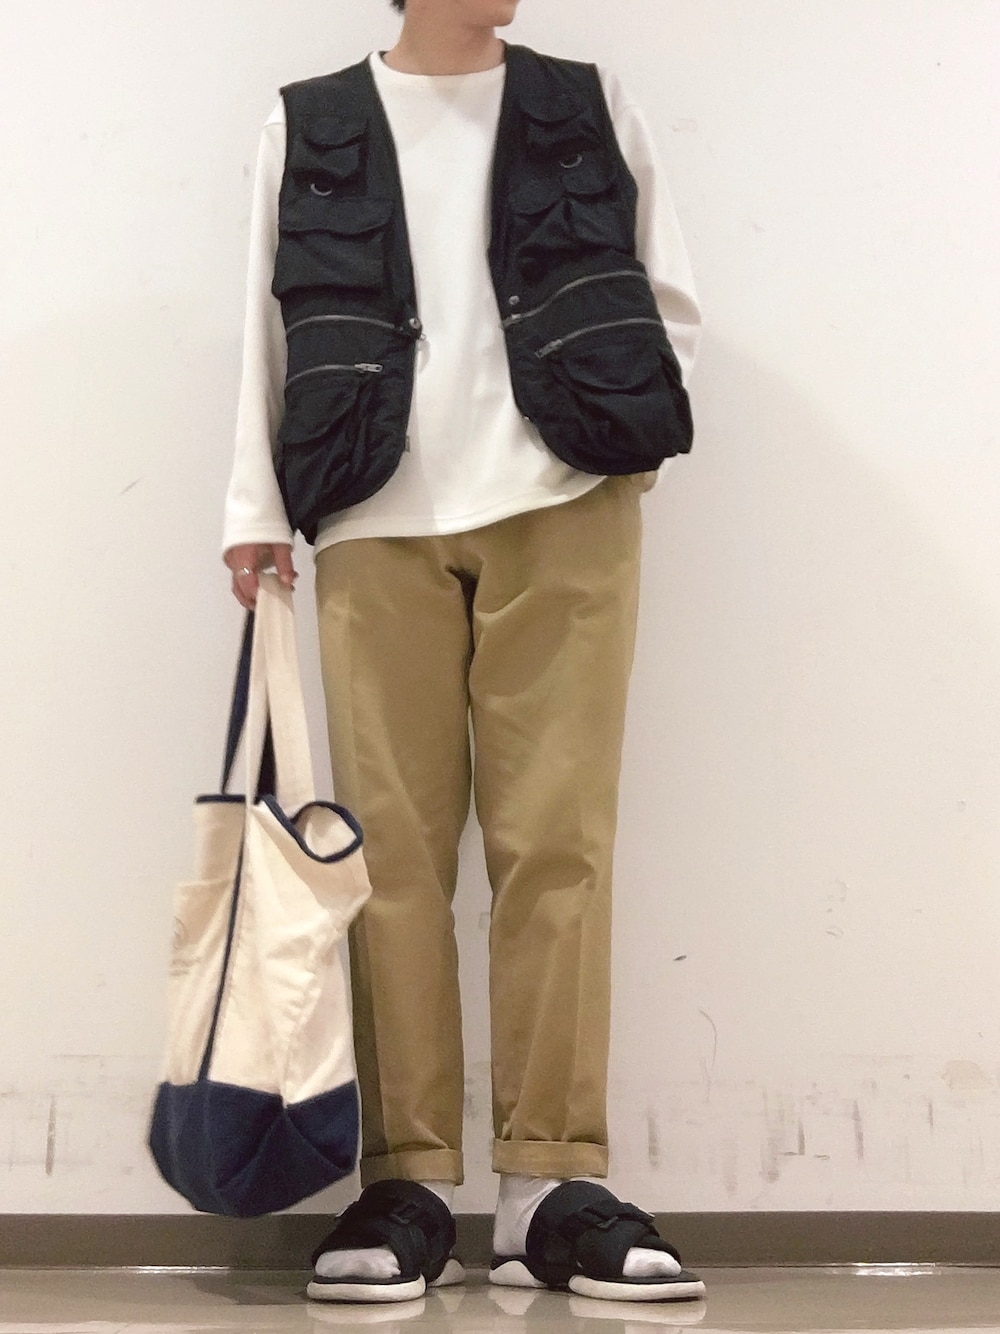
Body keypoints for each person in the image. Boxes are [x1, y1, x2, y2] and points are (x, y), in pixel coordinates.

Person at [222, 0, 703, 1306]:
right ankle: (412, 1181)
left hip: (567, 503)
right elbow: (262, 325)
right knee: (389, 858)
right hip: (374, 518)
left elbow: (667, 291)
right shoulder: (309, 123)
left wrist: (620, 456)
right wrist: (256, 510)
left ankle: (551, 1183)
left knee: (560, 844)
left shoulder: (587, 101)